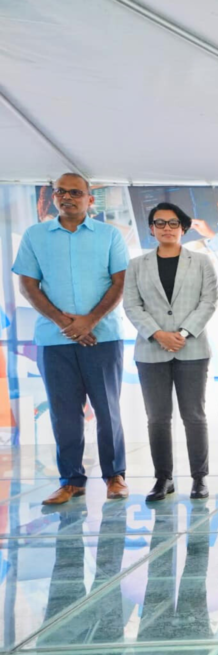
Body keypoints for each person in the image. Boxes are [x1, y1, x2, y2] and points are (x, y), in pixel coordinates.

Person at [13, 173, 130, 504]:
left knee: (107, 409)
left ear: (90, 199)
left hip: (103, 337)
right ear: (53, 197)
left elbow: (120, 282)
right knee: (64, 413)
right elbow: (28, 285)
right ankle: (71, 481)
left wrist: (89, 321)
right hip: (55, 340)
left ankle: (115, 476)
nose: (67, 197)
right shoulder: (35, 235)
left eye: (75, 192)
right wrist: (63, 322)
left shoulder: (110, 235)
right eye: (60, 192)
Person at [123, 202, 218, 502]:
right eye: (160, 223)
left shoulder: (201, 261)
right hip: (151, 350)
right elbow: (131, 305)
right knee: (157, 418)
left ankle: (199, 478)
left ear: (183, 228)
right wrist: (158, 334)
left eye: (173, 223)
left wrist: (183, 333)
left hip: (192, 349)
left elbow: (209, 301)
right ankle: (163, 479)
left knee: (194, 416)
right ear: (151, 229)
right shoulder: (137, 265)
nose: (167, 228)